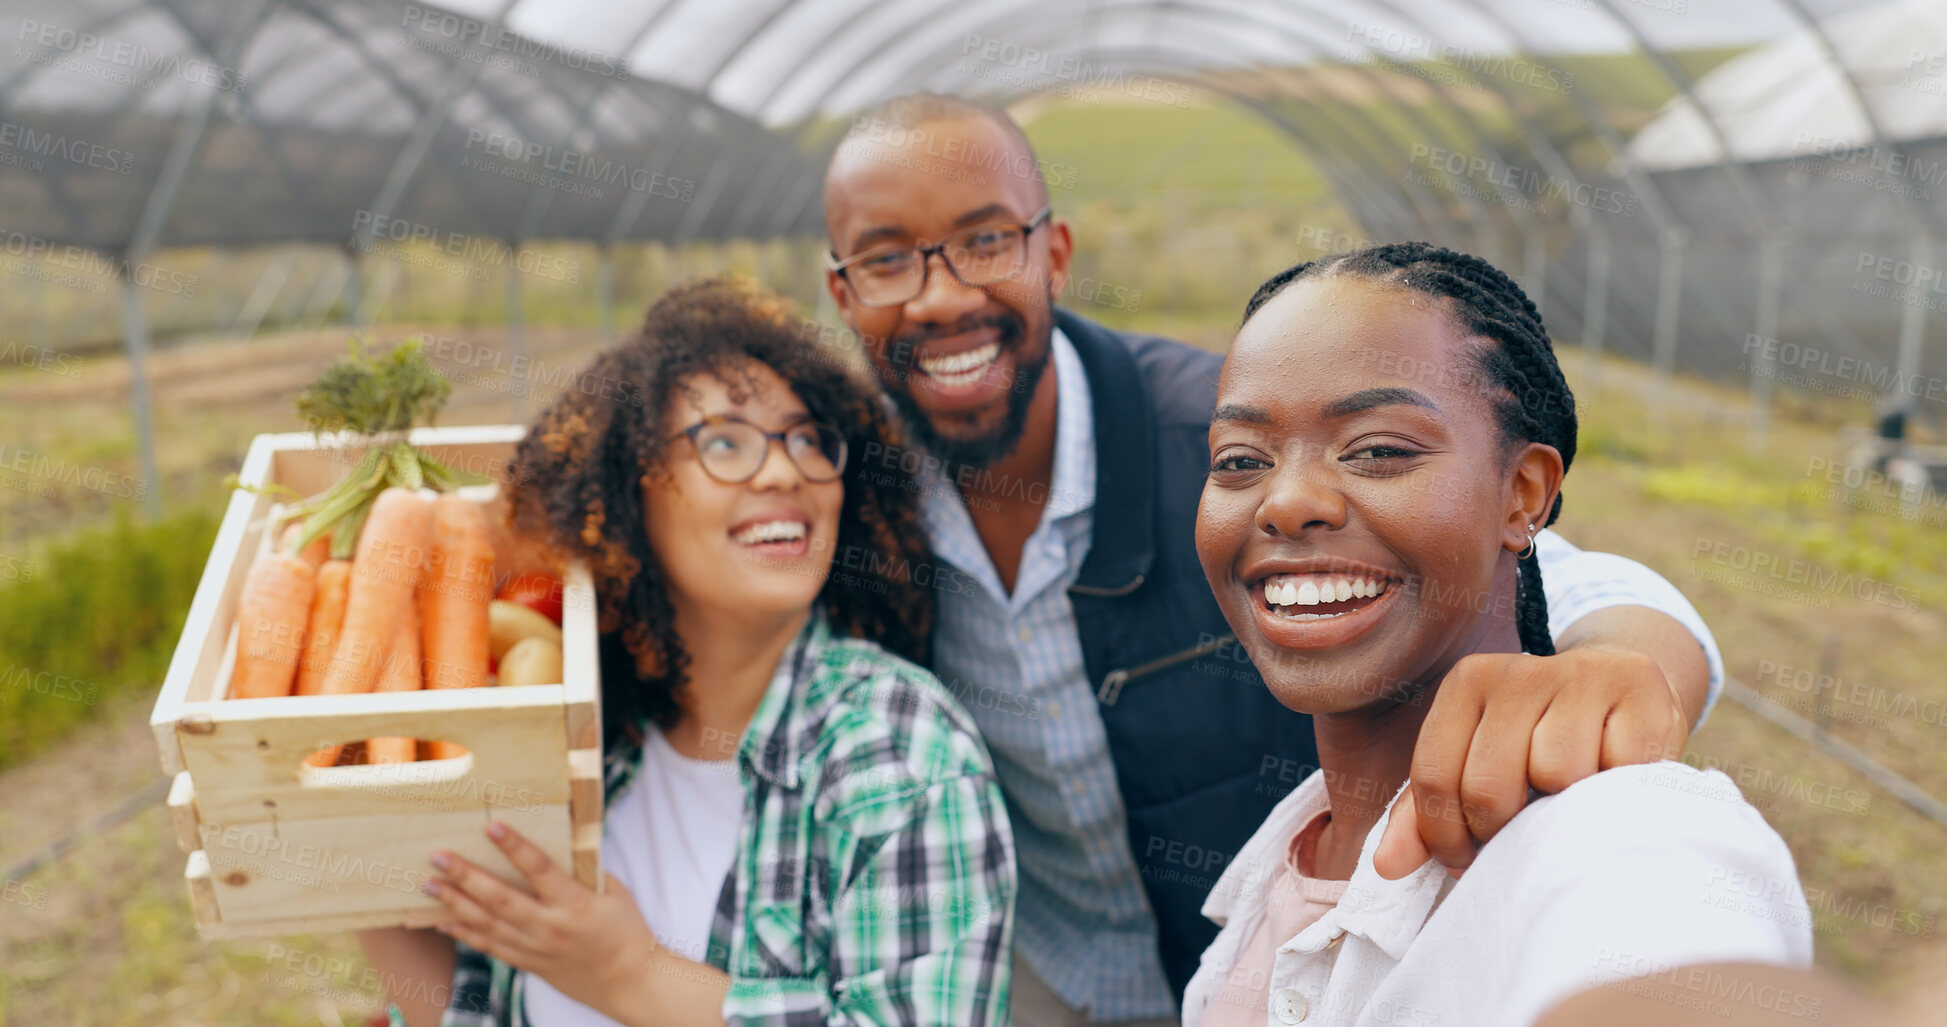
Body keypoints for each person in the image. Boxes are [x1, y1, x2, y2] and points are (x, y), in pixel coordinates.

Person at [820, 94, 1724, 1024]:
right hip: (1048, 978)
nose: (940, 296)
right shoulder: (844, 501)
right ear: (841, 292)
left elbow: (1547, 574)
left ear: (1052, 255)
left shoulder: (1209, 447)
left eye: (984, 242)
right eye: (885, 259)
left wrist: (1606, 679)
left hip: (1272, 973)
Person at [1180, 242, 1808, 1026]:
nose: (1286, 500)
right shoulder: (1286, 857)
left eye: (1376, 449)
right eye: (1239, 459)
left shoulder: (1616, 834)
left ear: (1523, 494)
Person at [357, 278, 1017, 1025]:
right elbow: (475, 1008)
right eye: (724, 442)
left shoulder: (895, 748)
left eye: (807, 439)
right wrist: (352, 838)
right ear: (629, 495)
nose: (783, 470)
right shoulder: (587, 743)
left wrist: (629, 973)